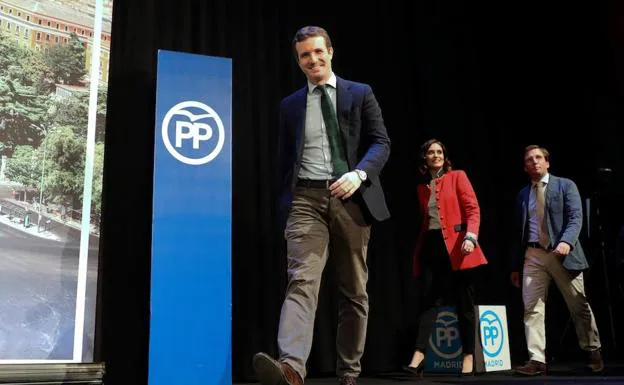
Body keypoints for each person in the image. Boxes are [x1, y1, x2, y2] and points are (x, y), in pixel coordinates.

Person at [252, 26, 391, 385]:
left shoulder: (359, 93)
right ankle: (291, 369)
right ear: (298, 61)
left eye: (317, 52)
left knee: (354, 291)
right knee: (301, 281)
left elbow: (381, 143)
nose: (312, 59)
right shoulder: (290, 105)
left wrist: (359, 175)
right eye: (304, 55)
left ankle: (349, 372)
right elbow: (285, 160)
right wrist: (288, 199)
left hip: (352, 199)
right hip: (305, 200)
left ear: (330, 51)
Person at [510, 145, 603, 376]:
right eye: (529, 160)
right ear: (525, 167)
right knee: (532, 307)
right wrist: (515, 265)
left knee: (577, 305)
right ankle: (537, 359)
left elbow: (575, 217)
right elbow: (517, 232)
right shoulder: (523, 194)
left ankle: (593, 349)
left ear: (547, 162)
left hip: (561, 253)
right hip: (533, 255)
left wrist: (567, 242)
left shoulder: (565, 185)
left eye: (538, 158)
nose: (534, 162)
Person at [403, 139, 487, 377]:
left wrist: (470, 236)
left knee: (464, 302)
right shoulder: (422, 187)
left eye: (440, 152)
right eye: (431, 152)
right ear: (424, 158)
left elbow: (473, 208)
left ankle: (468, 356)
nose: (436, 155)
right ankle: (418, 357)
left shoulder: (457, 176)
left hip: (458, 245)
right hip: (432, 245)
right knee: (429, 301)